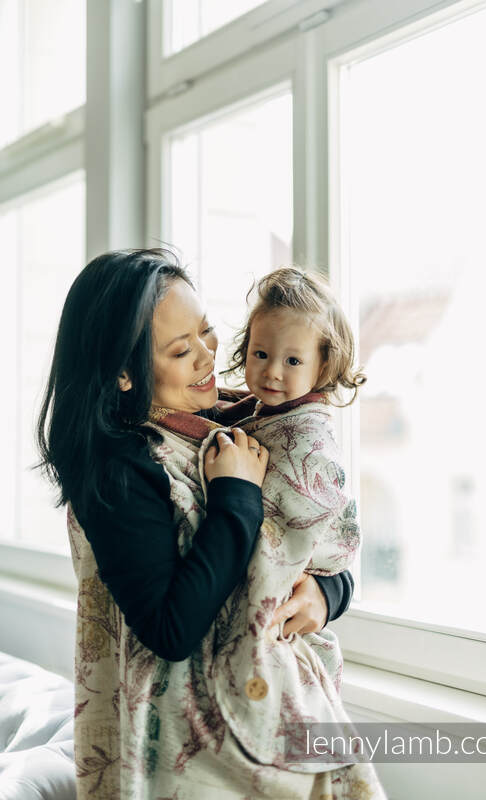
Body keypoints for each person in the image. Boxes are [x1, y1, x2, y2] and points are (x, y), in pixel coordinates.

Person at [37, 249, 358, 799]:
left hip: (267, 722)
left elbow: (309, 544)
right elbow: (171, 629)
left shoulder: (227, 422)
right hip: (190, 755)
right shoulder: (119, 471)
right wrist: (236, 494)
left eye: (207, 331)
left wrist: (328, 593)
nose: (209, 355)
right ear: (122, 373)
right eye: (182, 349)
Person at [188, 268, 386, 797]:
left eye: (293, 360)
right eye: (260, 353)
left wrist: (328, 584)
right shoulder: (254, 409)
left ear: (324, 366)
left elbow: (324, 527)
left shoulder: (308, 436)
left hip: (297, 613)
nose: (272, 372)